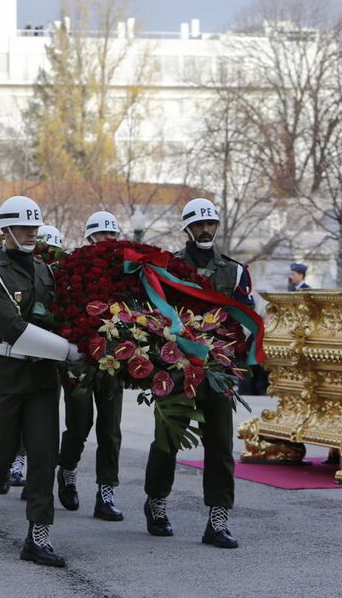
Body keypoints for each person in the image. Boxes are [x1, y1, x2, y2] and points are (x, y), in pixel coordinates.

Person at [0, 196, 83, 567]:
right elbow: (12, 329)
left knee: (44, 456)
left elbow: (56, 318)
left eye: (35, 226)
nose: (32, 233)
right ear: (6, 231)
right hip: (3, 378)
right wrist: (69, 351)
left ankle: (38, 537)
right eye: (24, 227)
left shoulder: (45, 270)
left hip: (40, 379)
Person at [143, 198, 253, 549]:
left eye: (211, 224)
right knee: (168, 439)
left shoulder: (234, 271)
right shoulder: (170, 266)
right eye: (199, 225)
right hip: (177, 366)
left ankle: (218, 518)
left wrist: (227, 351)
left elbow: (244, 317)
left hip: (218, 368)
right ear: (187, 228)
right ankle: (156, 502)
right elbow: (156, 312)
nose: (206, 230)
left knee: (220, 443)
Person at [55, 211, 126, 523]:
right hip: (80, 361)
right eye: (101, 236)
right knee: (79, 425)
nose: (107, 242)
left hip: (113, 360)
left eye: (112, 236)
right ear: (89, 238)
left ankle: (106, 493)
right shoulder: (72, 268)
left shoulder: (126, 271)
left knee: (110, 429)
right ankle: (67, 471)